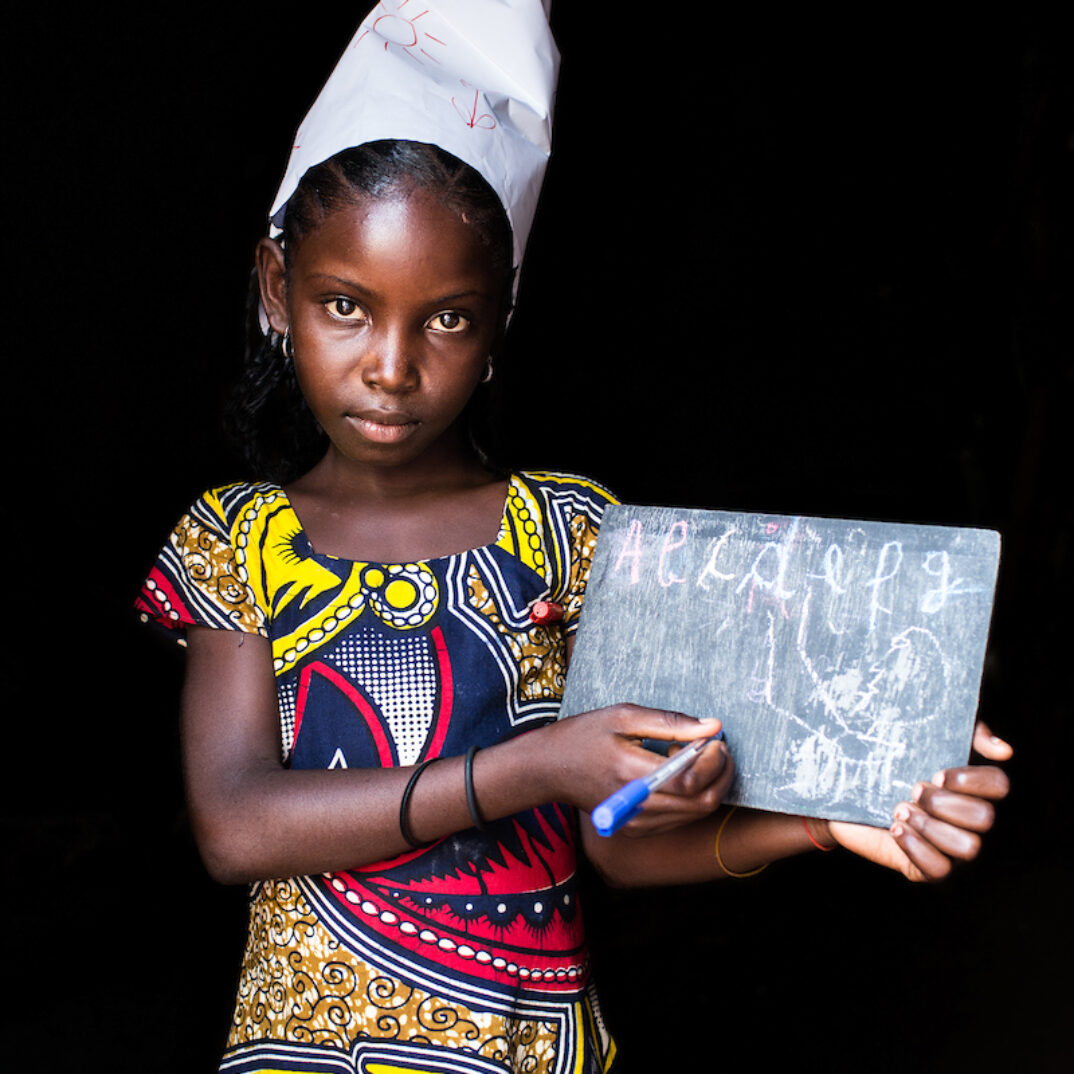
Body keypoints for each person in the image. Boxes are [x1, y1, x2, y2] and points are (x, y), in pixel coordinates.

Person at [136, 6, 1011, 1072]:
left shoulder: (577, 534)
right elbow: (236, 825)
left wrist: (827, 819)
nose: (393, 365)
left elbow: (623, 850)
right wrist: (538, 765)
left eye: (447, 318)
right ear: (279, 293)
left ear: (503, 316)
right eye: (345, 307)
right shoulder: (236, 539)